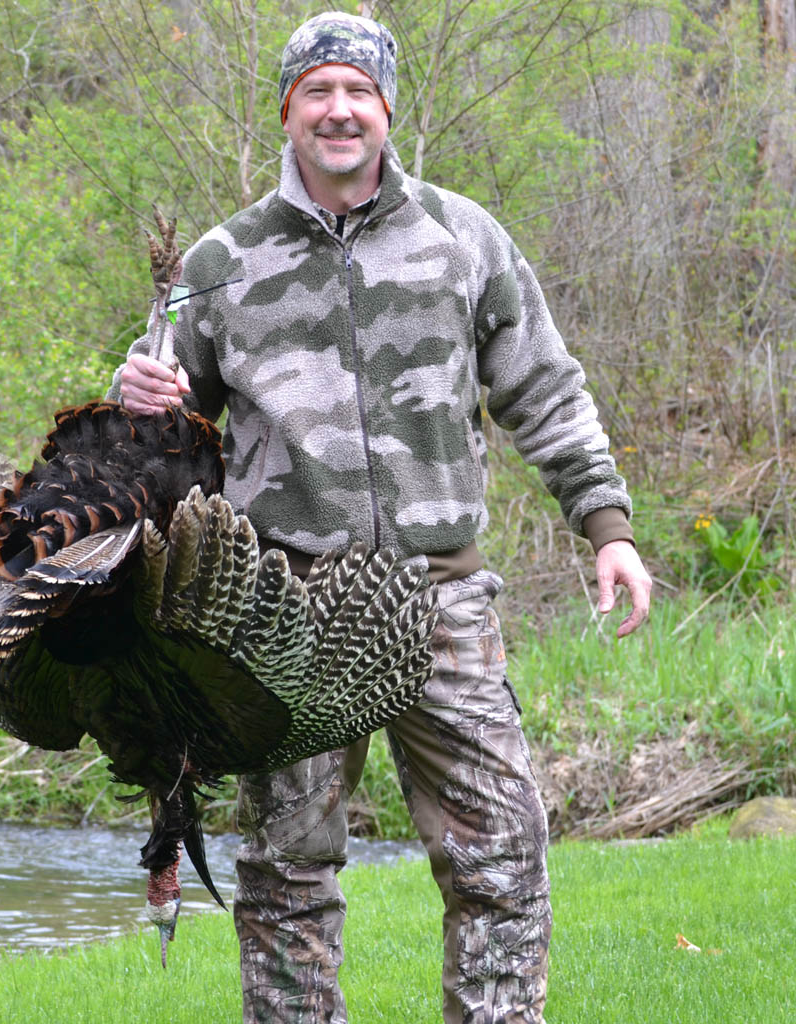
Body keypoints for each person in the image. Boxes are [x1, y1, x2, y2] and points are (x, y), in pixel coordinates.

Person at [107, 11, 652, 1023]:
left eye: (358, 91)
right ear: (288, 110)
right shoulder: (220, 262)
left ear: (388, 107)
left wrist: (606, 525)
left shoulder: (464, 237)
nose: (339, 108)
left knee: (502, 857)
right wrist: (136, 395)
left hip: (440, 599)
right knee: (284, 873)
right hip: (283, 617)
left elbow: (542, 387)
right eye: (317, 90)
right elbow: (149, 431)